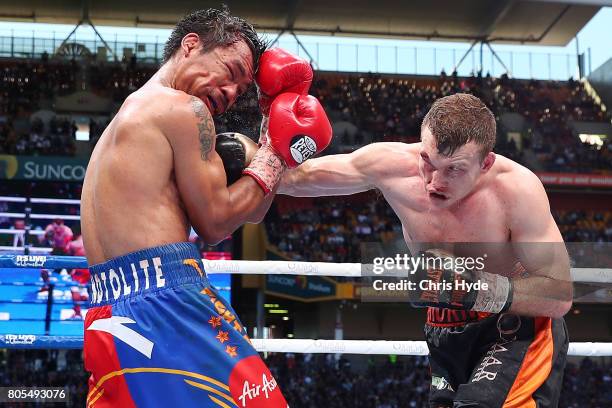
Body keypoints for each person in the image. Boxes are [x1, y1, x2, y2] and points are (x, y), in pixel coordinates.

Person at [80, 8, 331, 407]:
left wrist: (269, 126)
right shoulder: (185, 110)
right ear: (191, 45)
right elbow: (217, 222)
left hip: (106, 314)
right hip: (167, 304)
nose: (232, 93)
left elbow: (253, 209)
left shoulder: (127, 117)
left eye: (242, 88)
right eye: (231, 71)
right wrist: (274, 156)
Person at [280, 93, 572, 407]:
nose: (434, 181)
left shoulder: (517, 190)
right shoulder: (391, 166)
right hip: (444, 326)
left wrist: (474, 289)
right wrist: (249, 152)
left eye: (454, 170)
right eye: (428, 161)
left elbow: (560, 294)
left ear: (485, 163)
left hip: (516, 325)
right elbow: (296, 179)